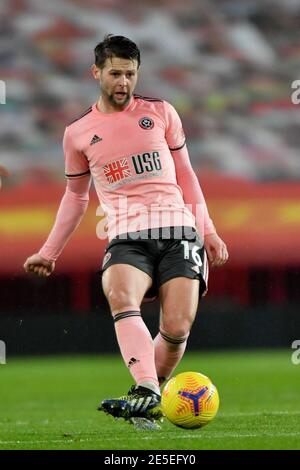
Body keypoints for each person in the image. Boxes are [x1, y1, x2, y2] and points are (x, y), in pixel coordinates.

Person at [24, 34, 228, 429]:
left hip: (178, 230)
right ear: (96, 72)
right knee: (120, 294)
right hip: (126, 234)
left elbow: (186, 174)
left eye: (130, 74)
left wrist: (210, 230)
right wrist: (49, 252)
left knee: (177, 325)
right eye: (115, 73)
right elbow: (75, 197)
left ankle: (148, 397)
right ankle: (148, 389)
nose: (123, 82)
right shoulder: (78, 133)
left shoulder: (162, 112)